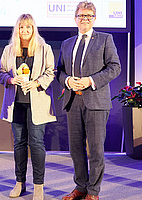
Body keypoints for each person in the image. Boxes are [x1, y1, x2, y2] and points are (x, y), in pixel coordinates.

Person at [56, 1, 121, 200]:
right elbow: (59, 71)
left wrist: (90, 81)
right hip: (72, 102)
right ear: (75, 18)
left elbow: (115, 67)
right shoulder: (67, 44)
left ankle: (93, 192)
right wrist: (67, 80)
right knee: (76, 150)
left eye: (88, 15)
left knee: (95, 150)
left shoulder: (104, 39)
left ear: (94, 18)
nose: (84, 19)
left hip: (96, 102)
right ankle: (81, 187)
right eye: (81, 15)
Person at [0, 14, 56, 200]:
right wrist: (11, 79)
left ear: (33, 29)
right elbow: (0, 72)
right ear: (17, 29)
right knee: (19, 144)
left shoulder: (44, 48)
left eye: (28, 27)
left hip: (37, 103)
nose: (24, 31)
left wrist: (37, 82)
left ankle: (38, 186)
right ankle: (19, 182)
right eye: (21, 27)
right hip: (17, 104)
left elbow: (51, 71)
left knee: (36, 143)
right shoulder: (9, 49)